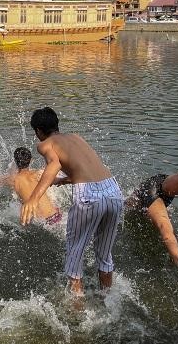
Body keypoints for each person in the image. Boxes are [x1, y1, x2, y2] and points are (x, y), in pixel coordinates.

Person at [23, 107, 123, 297]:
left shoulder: (44, 144)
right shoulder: (77, 138)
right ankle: (109, 300)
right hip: (113, 190)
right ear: (57, 124)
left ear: (38, 131)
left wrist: (33, 198)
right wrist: (63, 180)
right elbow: (88, 170)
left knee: (75, 253)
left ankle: (78, 312)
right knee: (104, 254)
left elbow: (54, 164)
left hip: (89, 196)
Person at [0, 147, 64, 226]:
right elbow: (59, 179)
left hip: (41, 223)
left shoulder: (12, 179)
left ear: (15, 161)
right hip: (55, 216)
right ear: (31, 160)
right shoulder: (39, 174)